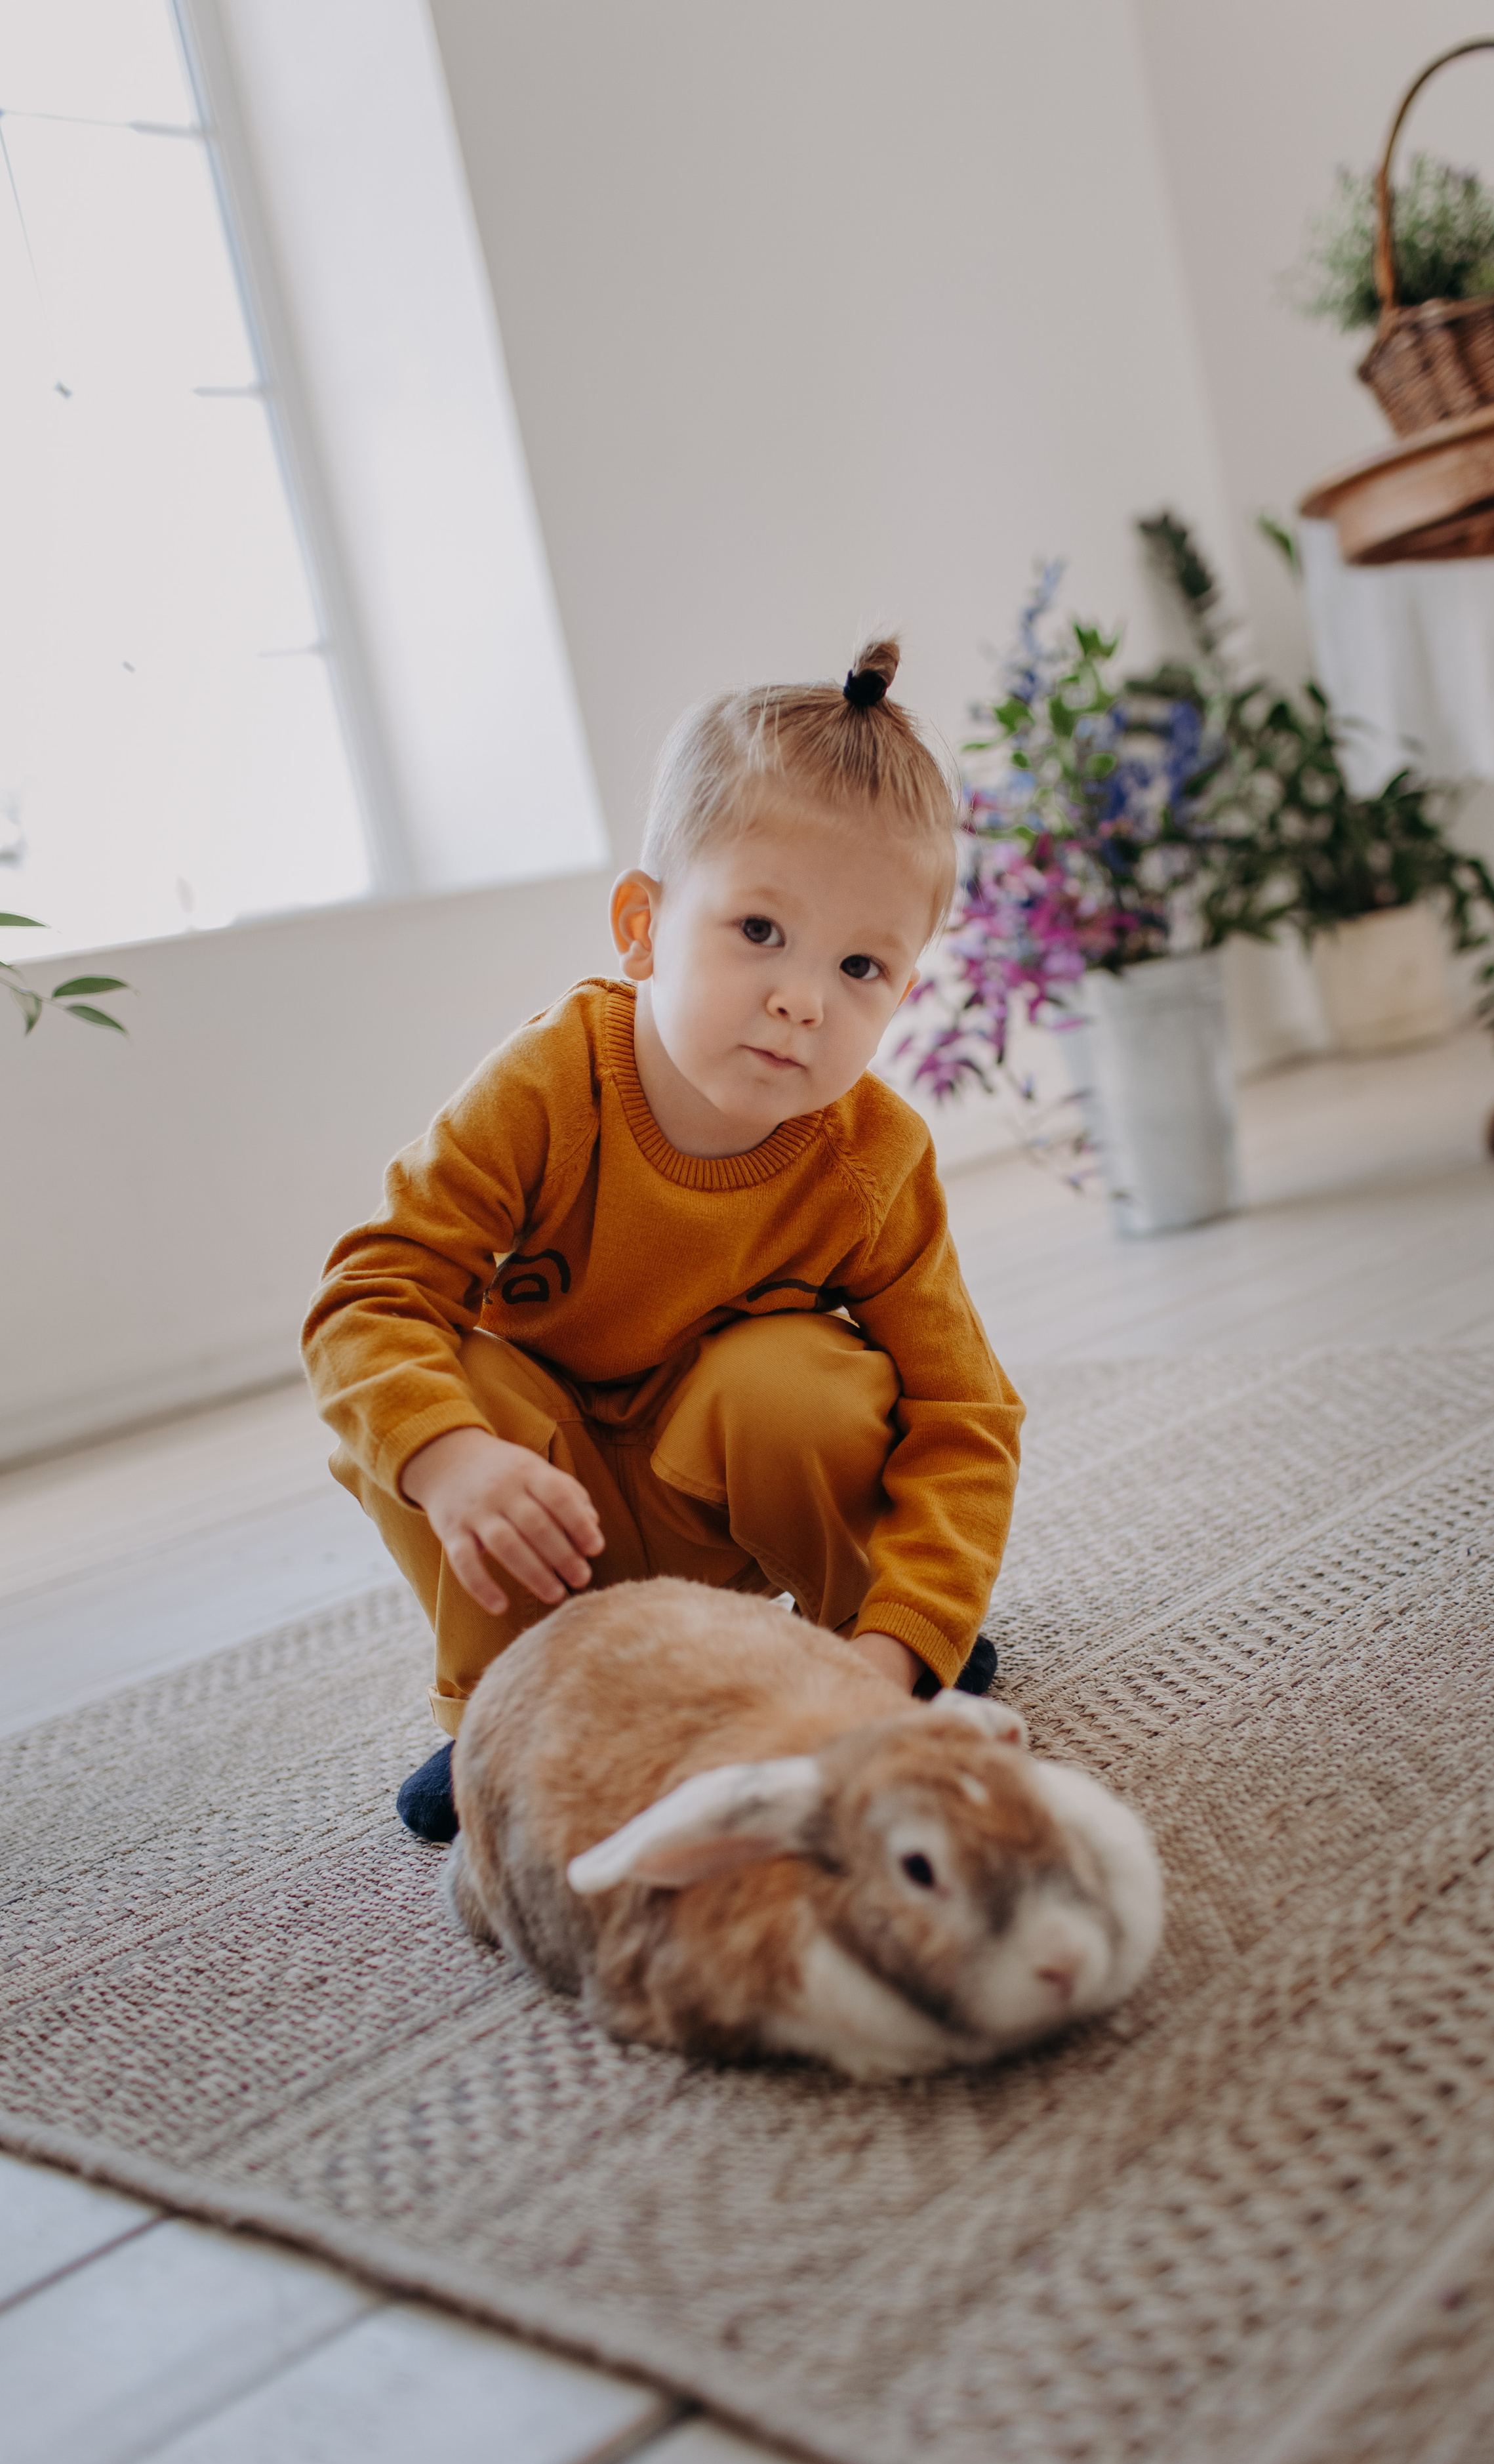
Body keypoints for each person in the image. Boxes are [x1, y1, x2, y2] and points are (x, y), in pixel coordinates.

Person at [303, 641, 1023, 1841]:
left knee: (793, 1377)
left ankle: (869, 1639)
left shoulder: (872, 1156)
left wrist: (903, 1649)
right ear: (642, 925)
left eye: (861, 967)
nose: (803, 997)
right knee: (446, 1388)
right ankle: (513, 1717)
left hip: (723, 1500)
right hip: (550, 1505)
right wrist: (452, 1462)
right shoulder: (547, 1086)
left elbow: (966, 1415)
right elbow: (366, 1298)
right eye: (758, 930)